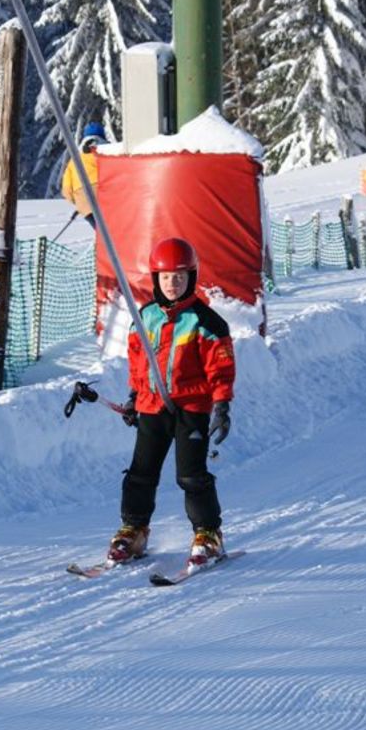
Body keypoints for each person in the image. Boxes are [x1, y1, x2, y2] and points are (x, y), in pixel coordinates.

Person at [108, 237, 235, 568]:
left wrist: (222, 406)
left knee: (191, 475)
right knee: (141, 472)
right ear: (155, 278)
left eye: (179, 277)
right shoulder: (145, 317)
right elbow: (138, 363)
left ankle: (208, 534)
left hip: (191, 408)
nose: (172, 283)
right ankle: (134, 530)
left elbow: (220, 369)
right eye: (165, 277)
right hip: (152, 406)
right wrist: (135, 397)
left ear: (191, 277)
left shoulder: (206, 322)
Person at [60, 121, 107, 230]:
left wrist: (78, 202)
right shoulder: (109, 153)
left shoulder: (74, 161)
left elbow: (66, 190)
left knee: (102, 232)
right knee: (114, 231)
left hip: (83, 200)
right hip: (106, 194)